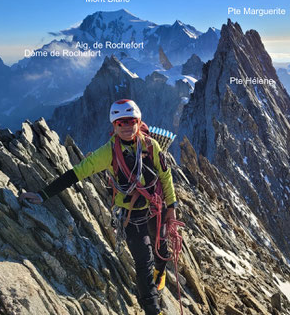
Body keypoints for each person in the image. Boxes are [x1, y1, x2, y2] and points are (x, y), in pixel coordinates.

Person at [19, 99, 177, 315]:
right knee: (143, 263)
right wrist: (43, 194)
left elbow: (165, 176)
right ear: (114, 126)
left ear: (138, 122)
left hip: (155, 208)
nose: (127, 126)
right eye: (120, 123)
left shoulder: (151, 145)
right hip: (131, 216)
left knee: (161, 247)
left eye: (131, 121)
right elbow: (76, 173)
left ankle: (162, 270)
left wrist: (172, 207)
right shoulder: (108, 152)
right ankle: (152, 309)